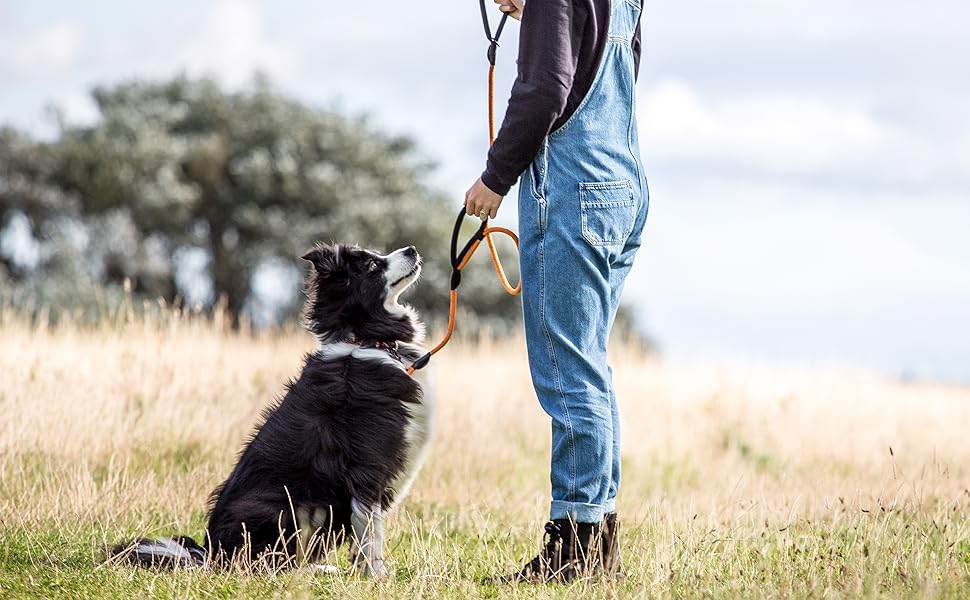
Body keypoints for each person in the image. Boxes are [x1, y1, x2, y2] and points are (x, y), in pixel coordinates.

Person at [463, 0, 648, 583]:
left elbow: (546, 89)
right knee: (589, 368)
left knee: (570, 376)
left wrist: (495, 178)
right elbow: (604, 61)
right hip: (623, 183)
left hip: (571, 188)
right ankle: (599, 544)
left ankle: (574, 552)